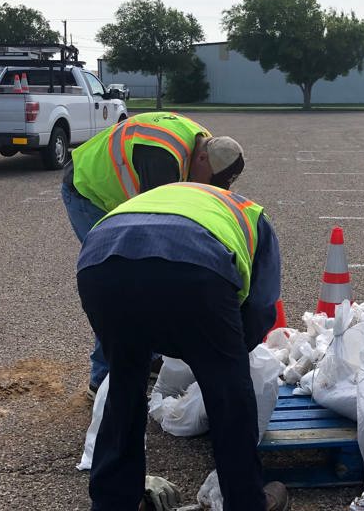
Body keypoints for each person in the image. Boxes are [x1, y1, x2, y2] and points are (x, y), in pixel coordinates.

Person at [76, 182, 289, 511]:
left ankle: (112, 501)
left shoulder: (178, 198)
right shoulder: (255, 218)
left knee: (125, 382)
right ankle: (246, 501)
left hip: (100, 263)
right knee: (229, 396)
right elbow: (261, 307)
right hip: (194, 266)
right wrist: (228, 355)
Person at [61, 111, 245, 397]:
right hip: (88, 191)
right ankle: (104, 378)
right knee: (121, 280)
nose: (206, 189)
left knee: (148, 281)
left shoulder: (205, 143)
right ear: (202, 159)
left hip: (119, 193)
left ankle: (150, 356)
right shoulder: (161, 157)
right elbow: (158, 231)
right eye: (208, 180)